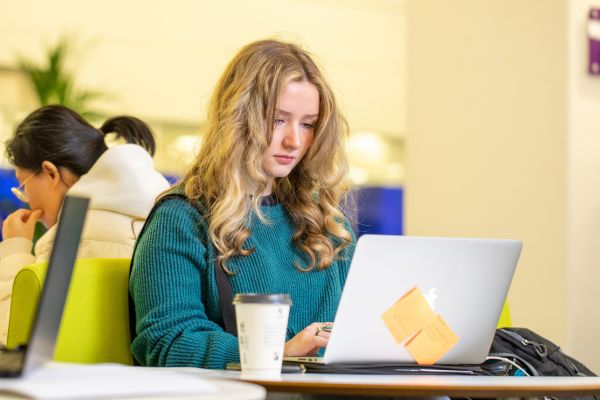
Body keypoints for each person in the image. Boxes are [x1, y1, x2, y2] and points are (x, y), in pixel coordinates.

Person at [129, 39, 356, 369]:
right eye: (278, 120)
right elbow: (166, 340)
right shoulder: (181, 218)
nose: (294, 140)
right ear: (237, 117)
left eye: (308, 124)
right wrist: (277, 353)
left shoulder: (326, 221)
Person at [0, 105, 170, 344]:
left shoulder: (71, 236)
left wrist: (15, 248)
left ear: (50, 173)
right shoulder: (163, 210)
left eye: (24, 185)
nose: (27, 200)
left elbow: (13, 335)